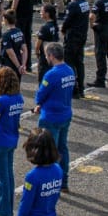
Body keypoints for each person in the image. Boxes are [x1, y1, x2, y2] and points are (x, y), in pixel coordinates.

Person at [0, 67, 25, 216]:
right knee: (9, 174)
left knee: (2, 178)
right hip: (12, 139)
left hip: (0, 140)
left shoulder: (1, 101)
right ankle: (8, 207)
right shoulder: (19, 98)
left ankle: (4, 211)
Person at [33, 42, 74, 191]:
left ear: (51, 56)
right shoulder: (70, 70)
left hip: (51, 117)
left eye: (46, 55)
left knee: (49, 150)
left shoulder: (51, 74)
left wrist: (38, 104)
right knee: (63, 148)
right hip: (65, 114)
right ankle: (63, 181)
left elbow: (41, 93)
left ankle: (50, 182)